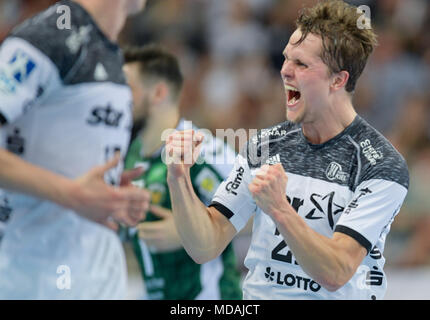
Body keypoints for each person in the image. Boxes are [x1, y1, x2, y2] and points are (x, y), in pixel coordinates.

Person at [165, 0, 409, 300]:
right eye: (286, 59)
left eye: (301, 64)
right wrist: (179, 179)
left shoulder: (380, 164)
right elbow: (205, 246)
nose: (284, 71)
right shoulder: (266, 146)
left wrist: (280, 209)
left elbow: (336, 271)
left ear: (338, 79)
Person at [0, 0, 150, 299]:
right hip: (32, 277)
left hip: (90, 275)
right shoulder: (50, 37)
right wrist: (72, 193)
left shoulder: (108, 50)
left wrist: (110, 192)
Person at [123, 45, 242, 300]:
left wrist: (189, 233)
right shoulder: (131, 155)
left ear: (158, 93)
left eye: (128, 89)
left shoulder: (201, 148)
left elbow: (258, 208)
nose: (120, 98)